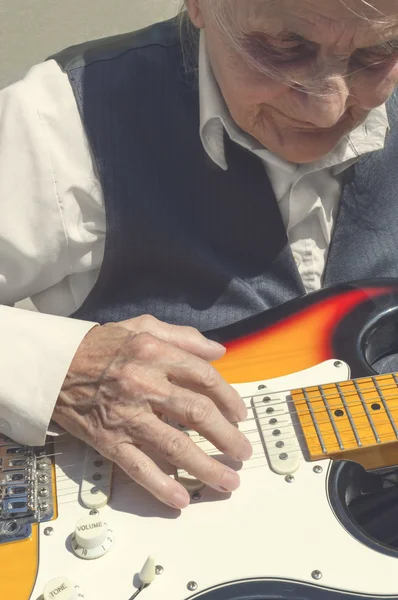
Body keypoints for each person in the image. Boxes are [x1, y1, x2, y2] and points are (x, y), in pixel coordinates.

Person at [1, 0, 398, 513]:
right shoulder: (59, 118)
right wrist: (59, 370)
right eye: (284, 48)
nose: (326, 106)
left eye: (379, 52)